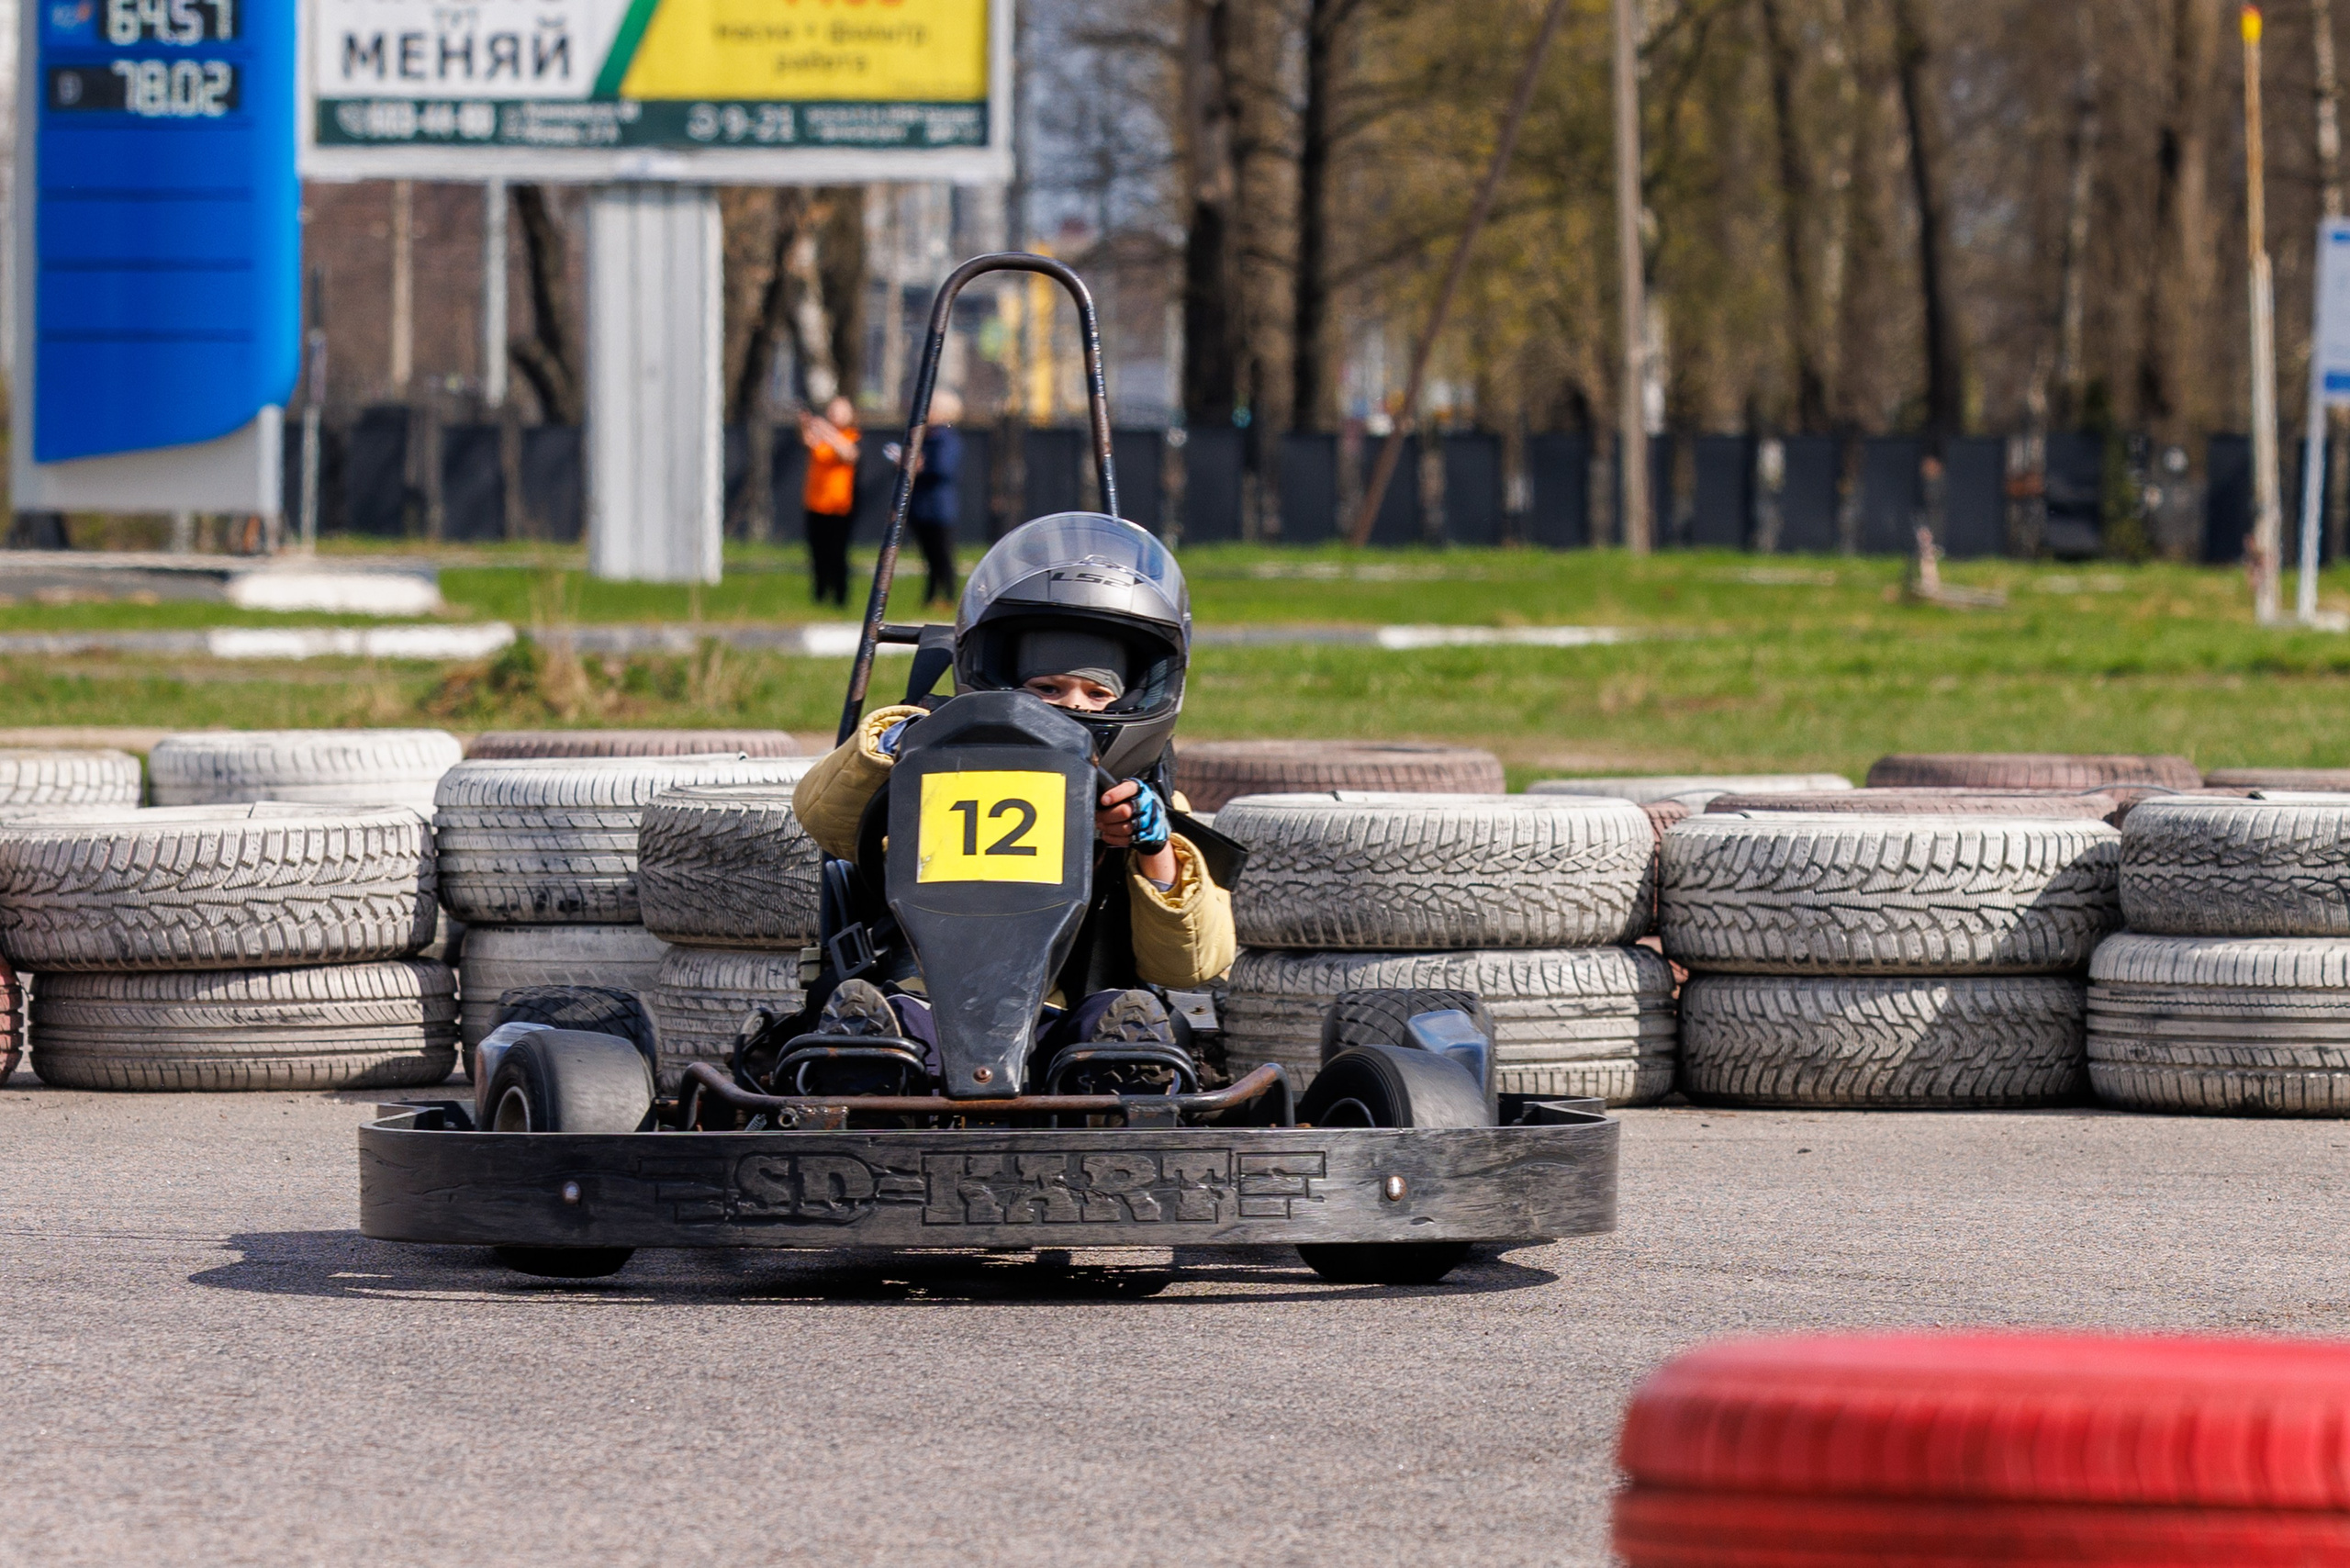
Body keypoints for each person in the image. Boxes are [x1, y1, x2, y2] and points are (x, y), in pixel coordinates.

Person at [791, 512, 1233, 1073]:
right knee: (895, 1024)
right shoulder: (932, 757)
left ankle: (1120, 1084)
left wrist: (1154, 850)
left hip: (1070, 1023)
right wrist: (897, 747)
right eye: (1047, 688)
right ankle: (868, 1067)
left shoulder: (1146, 801)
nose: (1073, 706)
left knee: (1126, 1022)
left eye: (1096, 692)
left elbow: (1193, 965)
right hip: (924, 1004)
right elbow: (822, 817)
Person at [799, 396, 861, 606]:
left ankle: (840, 597)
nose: (834, 415)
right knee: (818, 553)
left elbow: (848, 454)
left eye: (840, 411)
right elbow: (807, 442)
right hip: (816, 503)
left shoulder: (850, 436)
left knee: (838, 553)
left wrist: (827, 431)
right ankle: (819, 595)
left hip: (839, 506)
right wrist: (806, 424)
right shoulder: (821, 438)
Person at [906, 388, 965, 605]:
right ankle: (930, 596)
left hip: (938, 506)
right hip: (920, 505)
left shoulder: (947, 438)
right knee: (927, 556)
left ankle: (949, 596)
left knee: (942, 554)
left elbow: (943, 467)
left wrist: (922, 465)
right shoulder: (921, 436)